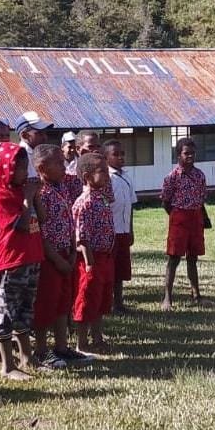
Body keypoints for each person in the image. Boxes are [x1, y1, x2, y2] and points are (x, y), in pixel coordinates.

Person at [0, 142, 44, 380]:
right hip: (12, 260)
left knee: (24, 309)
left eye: (25, 166)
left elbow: (42, 218)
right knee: (6, 311)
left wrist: (35, 197)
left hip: (31, 256)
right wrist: (28, 199)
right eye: (19, 167)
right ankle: (7, 365)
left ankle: (26, 356)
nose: (25, 172)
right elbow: (19, 225)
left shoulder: (23, 192)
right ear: (6, 169)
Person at [31, 144, 91, 366]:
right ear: (42, 167)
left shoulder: (61, 187)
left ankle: (61, 347)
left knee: (62, 303)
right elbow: (39, 232)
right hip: (50, 257)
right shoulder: (40, 193)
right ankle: (40, 350)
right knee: (46, 304)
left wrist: (72, 254)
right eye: (58, 162)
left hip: (67, 253)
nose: (64, 165)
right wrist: (56, 259)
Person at [71, 152, 116, 353]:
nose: (107, 175)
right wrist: (89, 263)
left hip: (105, 257)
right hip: (91, 259)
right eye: (102, 171)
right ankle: (82, 343)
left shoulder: (103, 197)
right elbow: (82, 236)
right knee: (87, 299)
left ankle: (98, 337)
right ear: (87, 176)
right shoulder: (85, 202)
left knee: (101, 300)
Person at [160, 138, 207, 311]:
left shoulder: (199, 175)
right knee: (174, 258)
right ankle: (167, 298)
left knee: (193, 257)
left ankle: (196, 295)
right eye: (186, 153)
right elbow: (165, 201)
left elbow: (202, 199)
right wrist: (176, 216)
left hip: (196, 218)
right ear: (178, 155)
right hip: (179, 218)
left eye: (192, 153)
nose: (190, 156)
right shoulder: (172, 177)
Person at [104, 139, 137, 314]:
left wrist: (131, 229)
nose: (120, 157)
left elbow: (130, 205)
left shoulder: (126, 176)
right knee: (110, 269)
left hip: (123, 230)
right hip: (111, 231)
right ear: (105, 157)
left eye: (122, 154)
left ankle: (119, 302)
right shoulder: (105, 178)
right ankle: (107, 304)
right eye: (115, 154)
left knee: (121, 269)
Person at [15, 111, 53, 179]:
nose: (45, 137)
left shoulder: (40, 154)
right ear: (24, 135)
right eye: (40, 133)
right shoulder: (19, 156)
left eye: (45, 133)